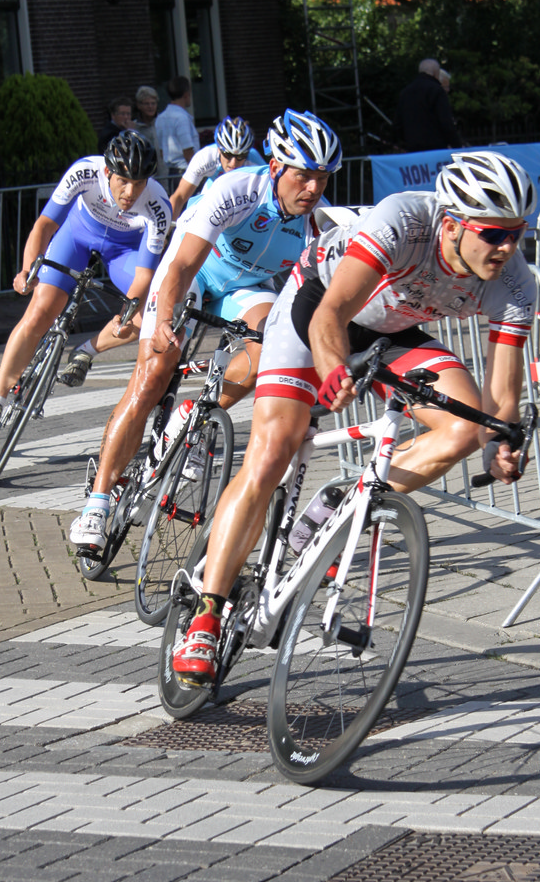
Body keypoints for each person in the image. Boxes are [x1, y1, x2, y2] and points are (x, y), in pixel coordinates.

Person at [170, 149, 537, 686]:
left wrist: (498, 445)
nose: (507, 248)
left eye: (516, 234)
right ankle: (206, 614)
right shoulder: (404, 221)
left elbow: (502, 394)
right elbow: (332, 313)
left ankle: (341, 505)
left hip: (392, 331)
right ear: (453, 225)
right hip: (315, 307)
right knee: (272, 452)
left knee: (466, 427)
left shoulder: (515, 283)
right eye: (494, 234)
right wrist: (333, 369)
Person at [69, 110, 343, 556]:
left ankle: (194, 413)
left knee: (272, 346)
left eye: (323, 178)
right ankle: (97, 503)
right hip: (195, 273)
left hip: (244, 287)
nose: (313, 188)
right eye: (304, 175)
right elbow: (180, 265)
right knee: (152, 376)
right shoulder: (237, 191)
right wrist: (163, 323)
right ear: (276, 167)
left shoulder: (318, 222)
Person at [0, 133, 171, 435]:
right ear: (107, 172)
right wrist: (27, 270)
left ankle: (87, 351)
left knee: (150, 315)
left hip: (124, 251)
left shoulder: (158, 204)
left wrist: (125, 315)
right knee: (40, 311)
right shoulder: (85, 172)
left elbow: (144, 275)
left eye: (139, 183)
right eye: (123, 181)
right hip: (77, 236)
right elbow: (45, 225)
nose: (130, 192)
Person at [169, 116, 260, 220]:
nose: (233, 163)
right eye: (228, 155)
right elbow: (179, 197)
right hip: (210, 205)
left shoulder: (255, 162)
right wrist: (168, 228)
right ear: (219, 149)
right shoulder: (205, 157)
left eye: (241, 156)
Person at [393, 58, 461, 152]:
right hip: (436, 148)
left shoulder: (405, 92)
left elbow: (398, 123)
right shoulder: (437, 91)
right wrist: (457, 146)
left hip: (413, 148)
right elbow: (446, 122)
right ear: (435, 73)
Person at [156, 76, 200, 175]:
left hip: (171, 172)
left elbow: (162, 152)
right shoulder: (181, 118)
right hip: (186, 171)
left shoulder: (161, 118)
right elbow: (188, 152)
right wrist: (199, 172)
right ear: (186, 94)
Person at [133, 85, 165, 176]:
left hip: (164, 173)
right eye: (146, 104)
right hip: (145, 174)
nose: (150, 107)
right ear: (139, 105)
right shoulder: (134, 127)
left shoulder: (163, 122)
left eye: (153, 103)